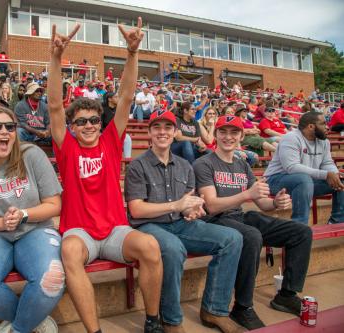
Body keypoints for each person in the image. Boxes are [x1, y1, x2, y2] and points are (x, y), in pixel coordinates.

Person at [48, 18, 166, 333]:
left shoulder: (111, 141)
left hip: (114, 230)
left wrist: (132, 53)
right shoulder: (67, 148)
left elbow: (126, 97)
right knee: (69, 251)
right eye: (82, 121)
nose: (89, 125)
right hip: (81, 232)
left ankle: (152, 321)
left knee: (151, 247)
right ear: (72, 128)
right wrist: (56, 58)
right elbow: (55, 108)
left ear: (101, 122)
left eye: (94, 119)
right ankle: (94, 331)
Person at [125, 110, 244, 333]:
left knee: (232, 238)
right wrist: (176, 206)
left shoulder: (185, 166)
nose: (162, 132)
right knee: (173, 248)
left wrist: (193, 210)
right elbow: (137, 209)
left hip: (180, 223)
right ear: (149, 132)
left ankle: (215, 310)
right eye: (157, 128)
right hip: (149, 226)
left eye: (168, 127)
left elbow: (190, 204)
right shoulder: (137, 166)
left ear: (175, 132)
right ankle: (171, 320)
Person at [193, 115, 313, 330]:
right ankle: (243, 306)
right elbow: (211, 206)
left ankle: (286, 294)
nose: (228, 137)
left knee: (301, 232)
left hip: (239, 216)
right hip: (215, 221)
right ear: (216, 135)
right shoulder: (204, 163)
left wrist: (276, 202)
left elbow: (262, 203)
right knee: (251, 235)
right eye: (223, 132)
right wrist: (247, 194)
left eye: (233, 133)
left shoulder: (242, 165)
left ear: (241, 136)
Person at [0, 107, 64, 333]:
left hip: (34, 230)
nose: (4, 131)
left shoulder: (32, 154)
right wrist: (2, 223)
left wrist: (24, 214)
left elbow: (54, 205)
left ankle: (17, 329)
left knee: (52, 277)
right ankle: (34, 320)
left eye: (10, 127)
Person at [264, 112, 343, 224]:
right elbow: (291, 167)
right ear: (311, 126)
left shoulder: (324, 141)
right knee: (303, 179)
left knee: (341, 180)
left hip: (306, 183)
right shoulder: (291, 138)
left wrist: (334, 174)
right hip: (275, 181)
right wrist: (325, 174)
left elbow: (327, 162)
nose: (327, 127)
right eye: (323, 124)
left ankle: (337, 222)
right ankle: (299, 225)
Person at [102, 92, 132, 158]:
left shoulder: (119, 109)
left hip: (117, 133)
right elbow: (100, 125)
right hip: (105, 133)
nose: (118, 99)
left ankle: (127, 160)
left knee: (127, 138)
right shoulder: (103, 110)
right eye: (116, 97)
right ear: (109, 99)